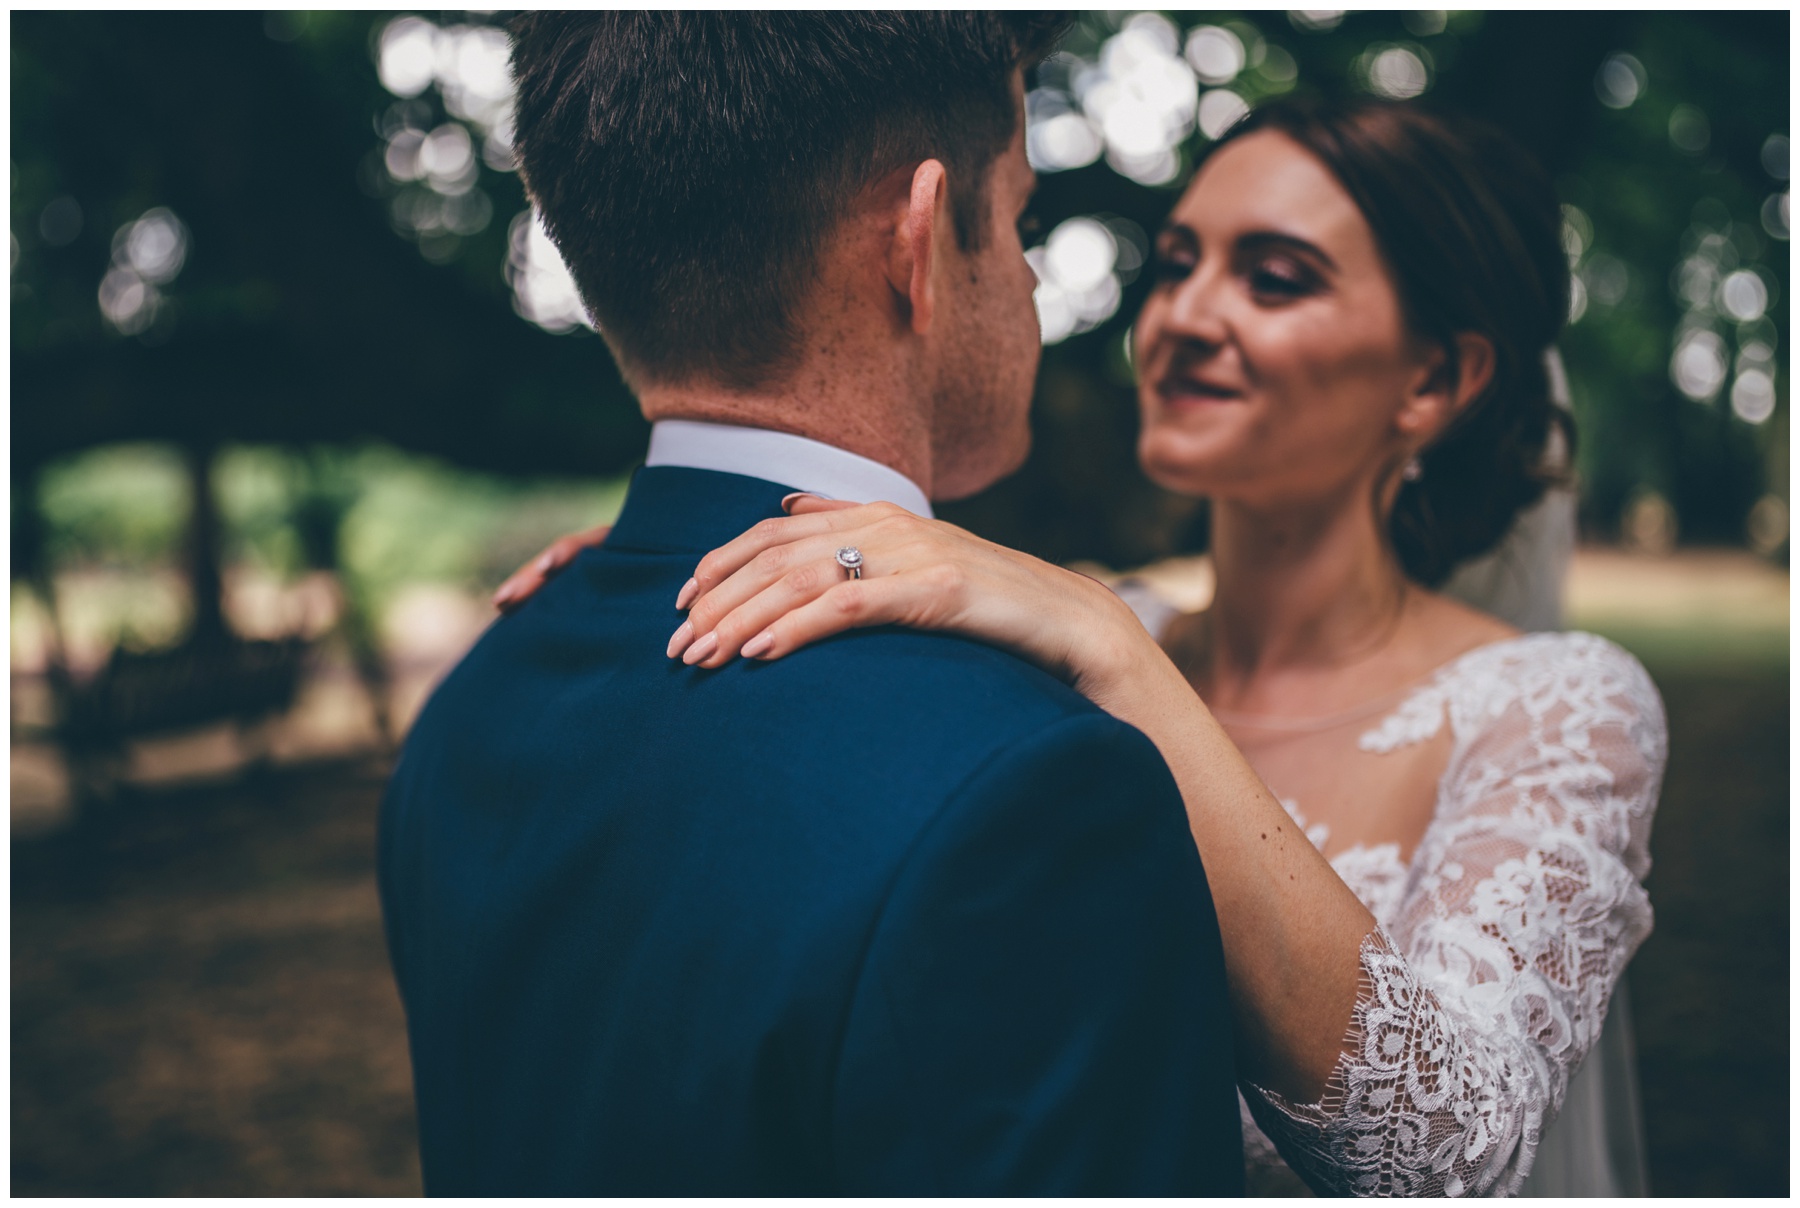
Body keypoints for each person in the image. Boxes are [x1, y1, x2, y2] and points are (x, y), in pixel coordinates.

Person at [504, 96, 1667, 1196]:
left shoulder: (1559, 704)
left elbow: (1450, 1152)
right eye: (1175, 264)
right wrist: (672, 559)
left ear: (1435, 380)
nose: (1182, 317)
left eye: (1273, 278)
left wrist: (1112, 643)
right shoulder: (1064, 632)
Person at [379, 13, 1244, 1196]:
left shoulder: (472, 707)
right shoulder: (1036, 788)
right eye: (1026, 220)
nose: (1035, 274)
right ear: (921, 236)